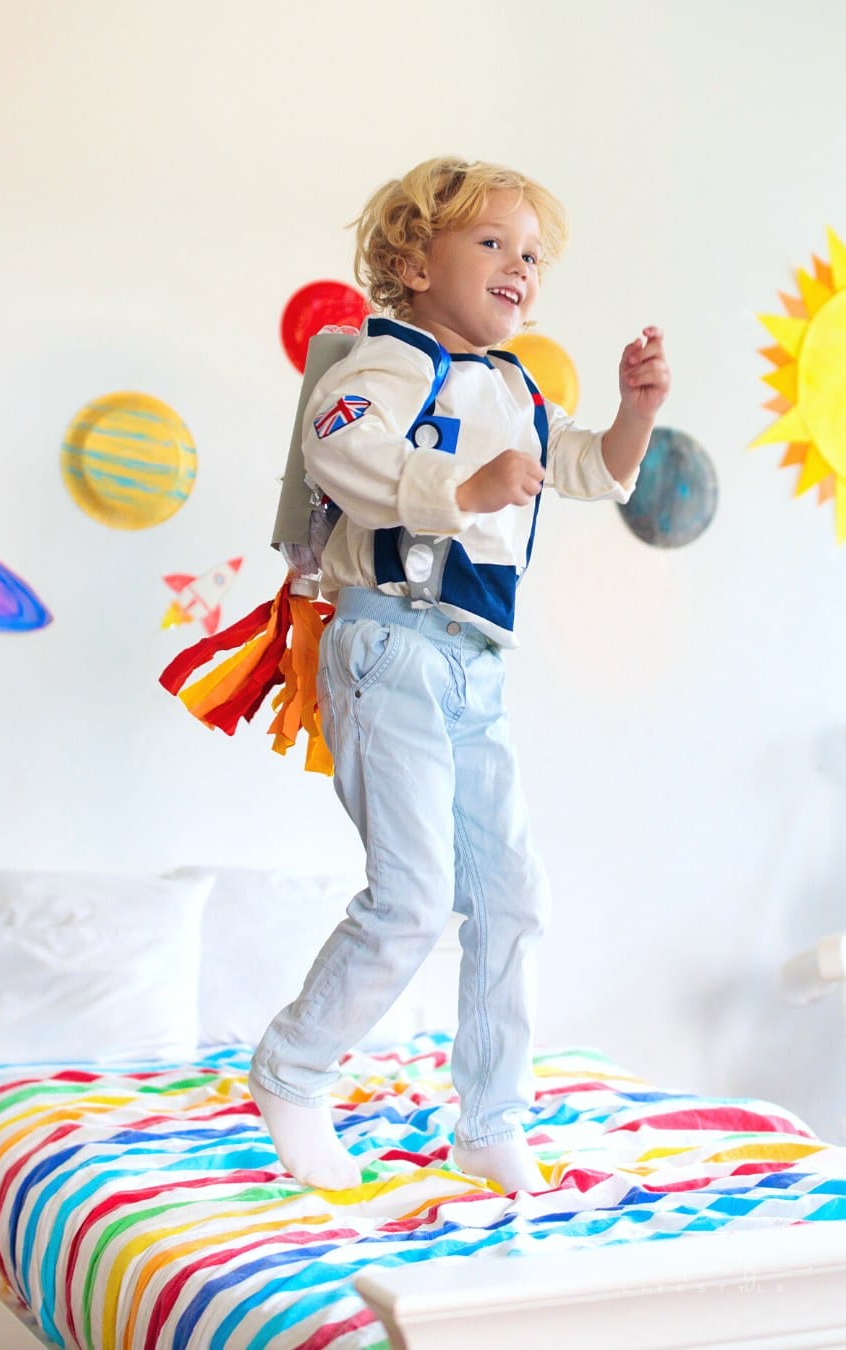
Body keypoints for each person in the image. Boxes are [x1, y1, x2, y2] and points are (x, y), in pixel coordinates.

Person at [249, 156, 670, 1194]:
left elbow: (587, 466)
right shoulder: (391, 361)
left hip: (475, 668)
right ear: (413, 264)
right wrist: (461, 487)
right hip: (391, 642)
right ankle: (292, 1070)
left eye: (531, 253)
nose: (519, 265)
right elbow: (340, 440)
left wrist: (635, 412)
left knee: (513, 897)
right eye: (491, 243)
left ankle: (490, 1121)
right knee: (412, 899)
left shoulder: (515, 386)